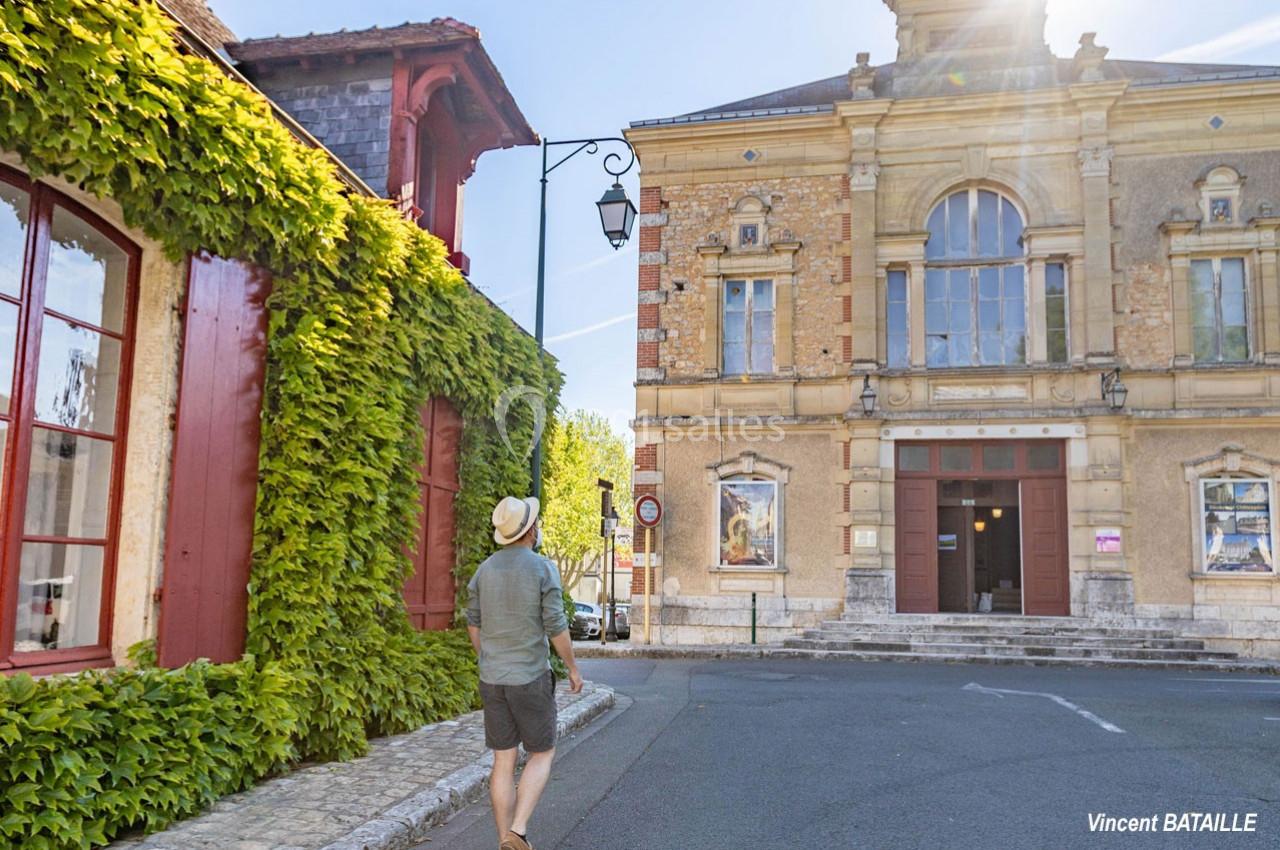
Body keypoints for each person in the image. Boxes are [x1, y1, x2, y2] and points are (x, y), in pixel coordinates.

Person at [467, 495, 583, 850]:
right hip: (530, 678)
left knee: (503, 760)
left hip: (492, 678)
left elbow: (473, 623)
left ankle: (505, 841)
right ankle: (518, 830)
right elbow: (556, 626)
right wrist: (573, 669)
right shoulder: (542, 568)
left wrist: (488, 656)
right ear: (531, 529)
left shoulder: (483, 571)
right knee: (542, 752)